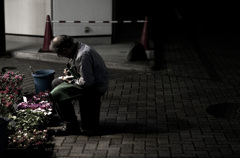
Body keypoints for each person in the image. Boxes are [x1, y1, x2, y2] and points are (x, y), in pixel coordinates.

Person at [49, 35, 109, 135]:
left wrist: (70, 81)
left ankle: (71, 126)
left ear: (65, 50)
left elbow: (86, 83)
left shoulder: (82, 55)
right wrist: (69, 76)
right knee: (55, 83)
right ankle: (69, 121)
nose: (60, 56)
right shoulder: (77, 47)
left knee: (57, 93)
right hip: (87, 81)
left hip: (94, 86)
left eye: (59, 54)